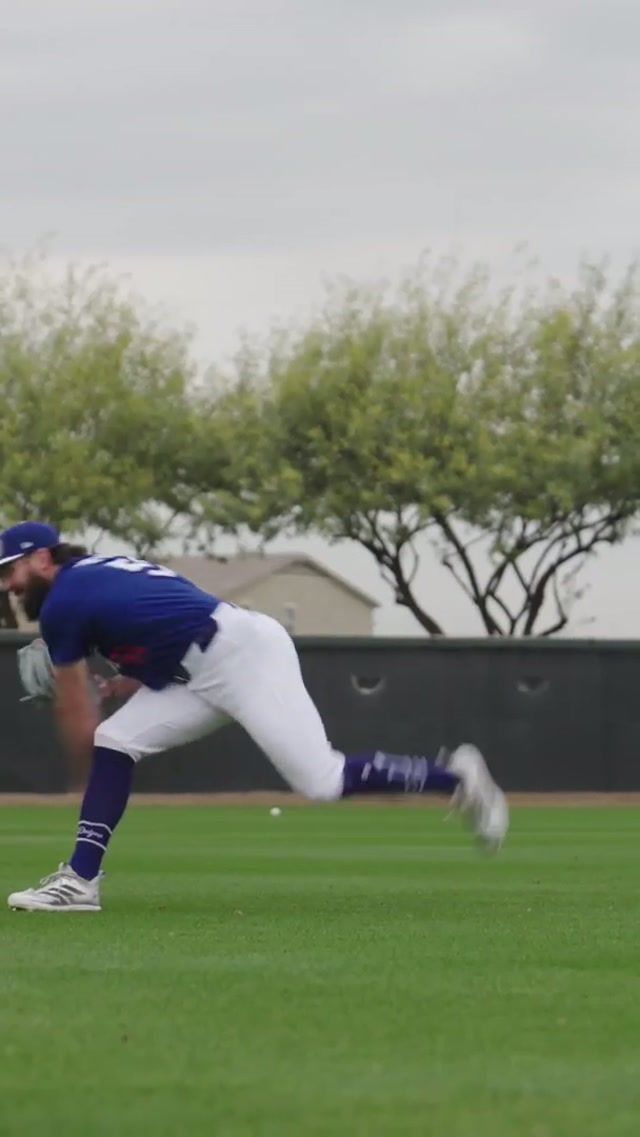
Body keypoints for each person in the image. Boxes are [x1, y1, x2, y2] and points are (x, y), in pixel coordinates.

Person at [0, 521, 509, 912]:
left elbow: (74, 705)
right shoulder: (95, 574)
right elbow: (169, 625)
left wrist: (80, 762)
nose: (8, 586)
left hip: (243, 658)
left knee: (322, 780)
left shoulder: (63, 602)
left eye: (11, 571)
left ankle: (455, 779)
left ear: (42, 558)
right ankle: (81, 880)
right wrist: (121, 684)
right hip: (206, 663)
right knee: (117, 739)